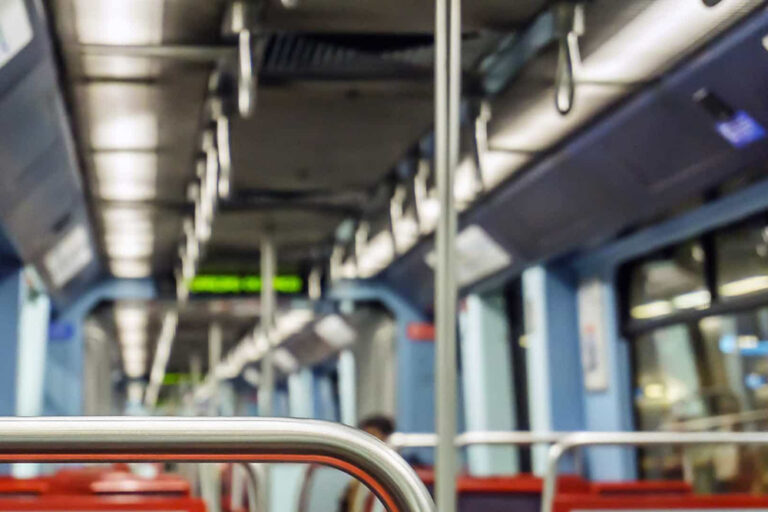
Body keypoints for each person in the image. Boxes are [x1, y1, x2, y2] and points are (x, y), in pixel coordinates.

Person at [338, 415, 395, 512]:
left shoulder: (396, 475)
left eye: (373, 435)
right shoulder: (357, 479)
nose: (368, 442)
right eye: (366, 436)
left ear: (386, 438)